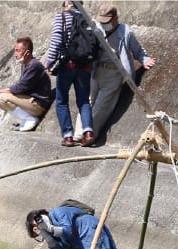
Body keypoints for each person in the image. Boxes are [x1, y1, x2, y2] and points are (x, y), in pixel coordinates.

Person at [87, 4, 156, 136]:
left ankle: (90, 134)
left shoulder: (125, 31)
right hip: (95, 70)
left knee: (101, 105)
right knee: (87, 102)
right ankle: (80, 133)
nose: (104, 24)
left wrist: (144, 59)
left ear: (115, 18)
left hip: (114, 72)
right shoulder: (96, 28)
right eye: (102, 21)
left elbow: (137, 50)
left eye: (107, 21)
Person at [44, 1, 96, 147]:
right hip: (85, 66)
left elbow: (56, 41)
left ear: (68, 3)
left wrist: (49, 62)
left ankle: (68, 137)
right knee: (84, 101)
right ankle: (88, 132)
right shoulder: (88, 19)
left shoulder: (62, 17)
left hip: (67, 65)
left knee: (61, 101)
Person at [0, 37, 52, 132]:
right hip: (31, 101)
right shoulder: (26, 64)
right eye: (15, 50)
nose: (15, 54)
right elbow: (21, 87)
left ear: (27, 53)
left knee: (2, 98)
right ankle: (26, 119)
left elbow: (20, 87)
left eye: (18, 51)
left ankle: (30, 119)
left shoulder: (34, 65)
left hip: (38, 105)